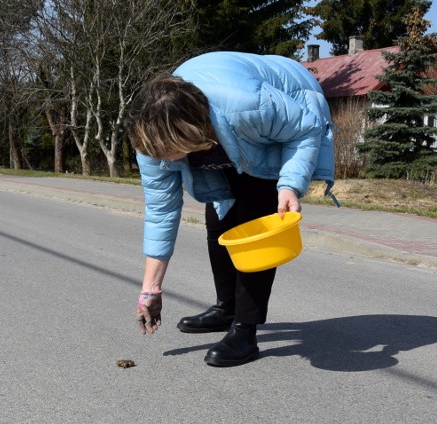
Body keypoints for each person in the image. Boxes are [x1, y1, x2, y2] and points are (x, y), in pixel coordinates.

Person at [127, 51, 335, 367]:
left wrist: (290, 185)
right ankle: (227, 308)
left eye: (170, 152)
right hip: (224, 133)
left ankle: (245, 330)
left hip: (283, 113)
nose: (165, 160)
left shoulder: (249, 104)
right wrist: (149, 290)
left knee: (252, 227)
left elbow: (305, 128)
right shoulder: (153, 140)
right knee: (219, 223)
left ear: (192, 132)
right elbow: (161, 211)